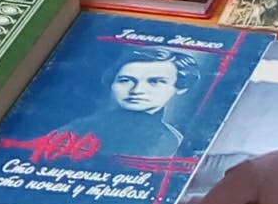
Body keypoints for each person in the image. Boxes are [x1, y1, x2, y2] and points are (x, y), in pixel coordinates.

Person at [57, 49, 192, 160]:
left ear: (180, 87)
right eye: (125, 80)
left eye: (154, 82)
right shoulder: (76, 129)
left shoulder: (175, 139)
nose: (136, 90)